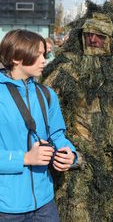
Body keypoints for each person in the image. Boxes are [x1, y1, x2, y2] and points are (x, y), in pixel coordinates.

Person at [0, 29, 77, 221]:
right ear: (17, 57)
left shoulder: (47, 94)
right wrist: (25, 158)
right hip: (7, 206)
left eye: (45, 54)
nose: (44, 59)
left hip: (45, 203)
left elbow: (58, 135)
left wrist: (70, 154)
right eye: (39, 54)